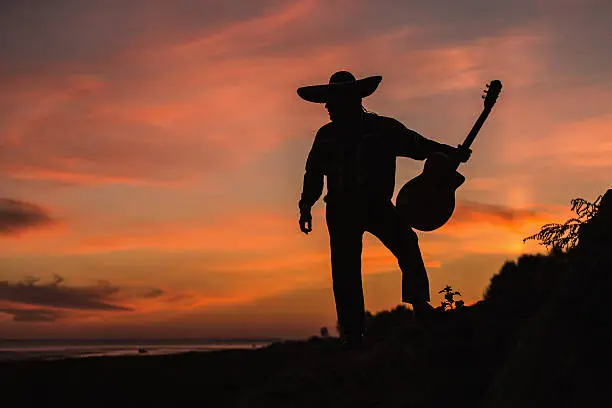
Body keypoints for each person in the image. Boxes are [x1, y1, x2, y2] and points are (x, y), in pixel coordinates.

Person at [296, 71, 470, 348]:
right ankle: (353, 334)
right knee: (345, 270)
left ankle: (420, 306)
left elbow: (418, 145)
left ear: (349, 101)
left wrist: (449, 152)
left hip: (376, 204)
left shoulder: (384, 129)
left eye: (332, 101)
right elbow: (314, 172)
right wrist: (306, 204)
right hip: (341, 210)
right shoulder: (327, 136)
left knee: (406, 245)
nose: (327, 107)